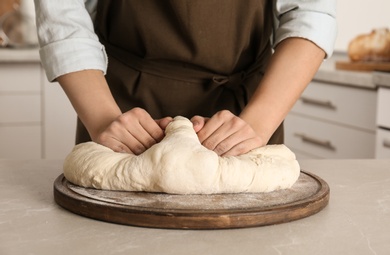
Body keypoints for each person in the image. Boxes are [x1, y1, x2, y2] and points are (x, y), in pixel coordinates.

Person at [34, 0, 337, 157]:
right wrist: (102, 118)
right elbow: (63, 14)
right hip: (119, 111)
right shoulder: (109, 118)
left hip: (248, 115)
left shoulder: (254, 123)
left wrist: (257, 125)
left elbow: (311, 13)